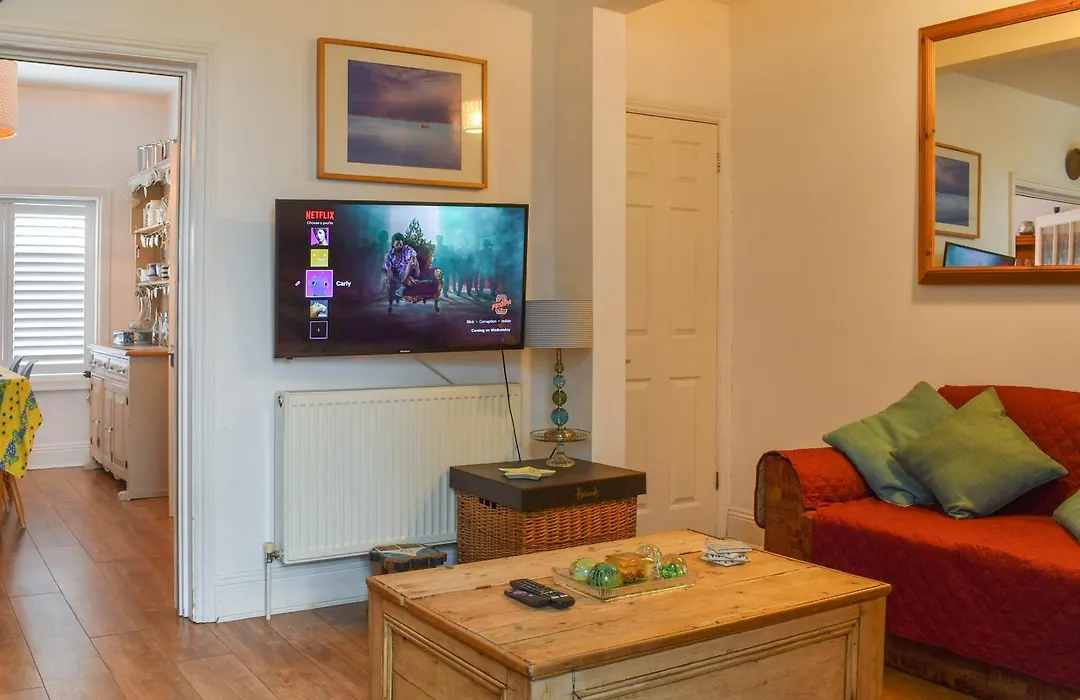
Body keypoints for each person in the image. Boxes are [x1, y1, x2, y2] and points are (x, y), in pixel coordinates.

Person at [384, 232, 420, 298]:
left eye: (400, 244)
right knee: (410, 283)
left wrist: (414, 258)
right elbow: (387, 266)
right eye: (397, 244)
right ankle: (404, 284)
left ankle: (403, 284)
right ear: (393, 243)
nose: (399, 246)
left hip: (411, 271)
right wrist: (389, 270)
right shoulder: (389, 255)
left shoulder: (406, 249)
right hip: (398, 275)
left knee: (411, 260)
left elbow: (413, 252)